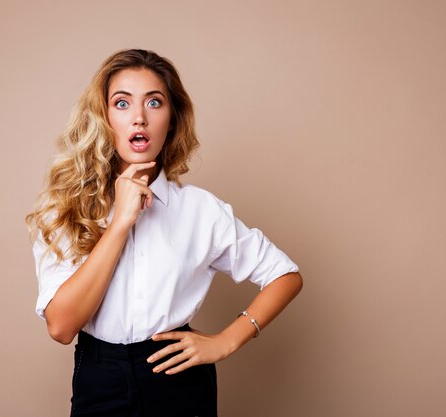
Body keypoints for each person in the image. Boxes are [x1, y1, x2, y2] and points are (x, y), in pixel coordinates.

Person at [25, 48, 303, 417]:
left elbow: (286, 275)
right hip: (99, 377)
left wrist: (227, 340)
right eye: (122, 104)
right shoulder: (65, 207)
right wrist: (121, 221)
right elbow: (61, 327)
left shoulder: (201, 210)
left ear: (171, 119)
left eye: (154, 103)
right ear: (104, 118)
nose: (139, 117)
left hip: (178, 379)